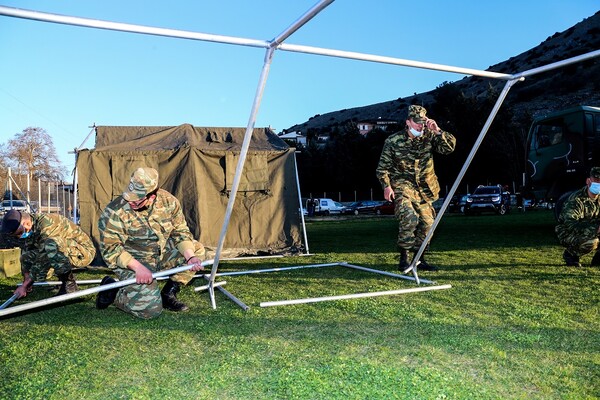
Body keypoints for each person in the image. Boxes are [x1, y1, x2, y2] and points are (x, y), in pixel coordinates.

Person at [96, 167, 207, 319]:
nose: (132, 201)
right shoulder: (115, 211)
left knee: (197, 250)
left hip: (160, 254)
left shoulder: (169, 202)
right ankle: (114, 291)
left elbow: (180, 232)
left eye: (138, 198)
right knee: (150, 310)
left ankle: (169, 292)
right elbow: (111, 249)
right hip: (132, 261)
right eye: (130, 196)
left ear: (152, 196)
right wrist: (138, 268)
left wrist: (190, 258)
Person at [376, 105, 456, 272]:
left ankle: (419, 259)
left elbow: (449, 148)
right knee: (410, 218)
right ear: (408, 122)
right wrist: (386, 186)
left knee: (428, 224)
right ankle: (404, 258)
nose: (421, 126)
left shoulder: (429, 135)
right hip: (402, 187)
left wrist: (438, 130)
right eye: (417, 123)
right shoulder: (393, 141)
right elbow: (382, 169)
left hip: (424, 189)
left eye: (423, 123)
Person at [0, 209, 96, 298]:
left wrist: (24, 286)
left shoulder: (46, 224)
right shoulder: (31, 228)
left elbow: (43, 256)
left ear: (27, 224)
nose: (19, 236)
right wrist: (27, 282)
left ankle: (69, 284)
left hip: (83, 252)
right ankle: (62, 280)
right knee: (26, 256)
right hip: (66, 249)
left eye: (19, 233)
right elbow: (27, 253)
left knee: (50, 245)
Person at [555, 166, 600, 267]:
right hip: (568, 233)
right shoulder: (576, 200)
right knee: (591, 242)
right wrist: (596, 229)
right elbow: (570, 224)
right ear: (588, 181)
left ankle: (598, 260)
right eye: (596, 181)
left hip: (590, 228)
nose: (599, 184)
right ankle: (571, 254)